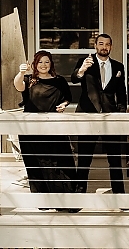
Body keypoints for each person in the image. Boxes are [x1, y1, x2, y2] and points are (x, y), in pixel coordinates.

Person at [13, 50, 77, 209]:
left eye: (46, 62)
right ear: (35, 64)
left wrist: (64, 105)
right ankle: (43, 201)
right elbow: (17, 85)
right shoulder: (29, 80)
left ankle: (65, 201)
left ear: (51, 64)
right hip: (31, 130)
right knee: (37, 165)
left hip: (54, 128)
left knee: (61, 163)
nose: (43, 65)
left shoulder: (60, 80)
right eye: (40, 62)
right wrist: (21, 73)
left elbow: (68, 98)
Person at [71, 33, 127, 194]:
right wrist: (82, 69)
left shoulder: (118, 66)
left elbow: (121, 94)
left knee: (115, 159)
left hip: (110, 117)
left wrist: (121, 113)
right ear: (95, 46)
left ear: (111, 46)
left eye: (107, 44)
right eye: (101, 43)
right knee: (84, 159)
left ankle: (119, 195)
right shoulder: (86, 62)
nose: (104, 47)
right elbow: (74, 78)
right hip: (88, 115)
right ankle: (79, 195)